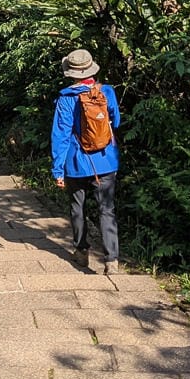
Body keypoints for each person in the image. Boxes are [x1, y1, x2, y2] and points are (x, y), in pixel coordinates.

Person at [50, 48, 121, 275]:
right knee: (106, 209)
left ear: (71, 73)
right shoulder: (106, 92)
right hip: (106, 161)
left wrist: (57, 169)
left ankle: (81, 252)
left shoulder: (66, 99)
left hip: (76, 163)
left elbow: (60, 135)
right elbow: (116, 122)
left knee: (77, 208)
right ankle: (112, 260)